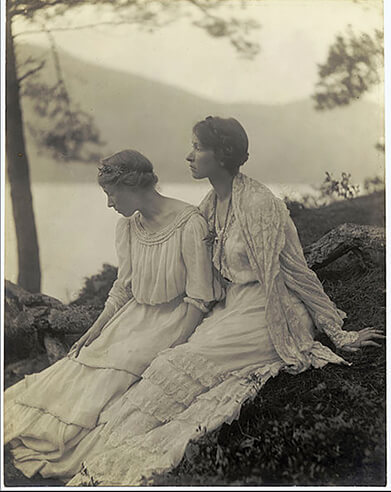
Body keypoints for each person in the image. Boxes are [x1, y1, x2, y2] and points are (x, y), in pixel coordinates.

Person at [66, 116, 384, 487]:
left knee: (177, 363)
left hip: (269, 310)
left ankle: (124, 463)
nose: (190, 156)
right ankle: (97, 456)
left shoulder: (260, 204)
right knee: (162, 366)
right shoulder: (210, 204)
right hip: (232, 308)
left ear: (223, 155)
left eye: (198, 148)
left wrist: (338, 331)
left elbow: (297, 272)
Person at [4, 149, 221, 479]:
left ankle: (68, 438)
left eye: (110, 193)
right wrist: (96, 330)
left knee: (116, 371)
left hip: (173, 319)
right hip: (132, 318)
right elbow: (123, 288)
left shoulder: (189, 223)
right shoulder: (128, 227)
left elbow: (199, 297)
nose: (109, 203)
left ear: (132, 185)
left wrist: (174, 346)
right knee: (79, 366)